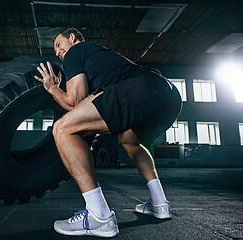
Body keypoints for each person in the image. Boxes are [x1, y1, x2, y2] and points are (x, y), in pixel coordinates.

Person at [34, 28, 182, 237]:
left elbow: (75, 101)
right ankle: (159, 204)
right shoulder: (99, 57)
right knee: (130, 140)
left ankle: (99, 216)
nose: (57, 52)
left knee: (62, 129)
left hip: (138, 89)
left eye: (59, 44)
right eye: (55, 49)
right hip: (168, 96)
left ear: (73, 38)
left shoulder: (76, 52)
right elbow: (89, 102)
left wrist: (53, 89)